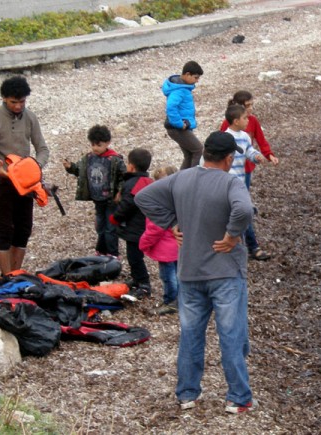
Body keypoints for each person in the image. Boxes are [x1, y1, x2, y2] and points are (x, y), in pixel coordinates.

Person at [136, 131, 256, 414]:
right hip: (225, 273)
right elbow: (244, 210)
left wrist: (172, 223)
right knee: (231, 336)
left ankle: (187, 394)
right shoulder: (231, 182)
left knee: (190, 335)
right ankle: (238, 398)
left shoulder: (181, 178)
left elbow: (143, 197)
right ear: (229, 158)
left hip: (189, 273)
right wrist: (232, 236)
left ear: (205, 154)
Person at [0, 76, 50, 276]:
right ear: (4, 98)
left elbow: (42, 149)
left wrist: (35, 166)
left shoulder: (30, 118)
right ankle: (6, 277)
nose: (19, 106)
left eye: (22, 101)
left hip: (26, 182)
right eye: (14, 102)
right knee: (4, 229)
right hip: (1, 181)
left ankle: (16, 273)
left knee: (23, 229)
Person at [62, 125, 126, 257]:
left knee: (110, 227)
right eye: (93, 145)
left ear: (107, 143)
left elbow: (124, 177)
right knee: (100, 226)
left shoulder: (115, 159)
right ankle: (101, 250)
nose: (95, 148)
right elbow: (80, 171)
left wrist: (120, 192)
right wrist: (70, 167)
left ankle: (113, 253)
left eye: (99, 145)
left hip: (111, 200)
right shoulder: (88, 158)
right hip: (97, 199)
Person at [218, 103, 270, 261]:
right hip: (228, 182)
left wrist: (256, 156)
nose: (248, 120)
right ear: (235, 121)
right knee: (236, 213)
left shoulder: (245, 136)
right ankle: (235, 246)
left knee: (240, 213)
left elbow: (248, 151)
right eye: (245, 118)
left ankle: (241, 246)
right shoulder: (225, 138)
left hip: (240, 181)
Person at [111, 148, 153, 298]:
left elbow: (128, 204)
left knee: (134, 257)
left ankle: (144, 283)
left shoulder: (134, 183)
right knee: (133, 256)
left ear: (132, 166)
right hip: (140, 225)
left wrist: (115, 217)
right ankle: (136, 278)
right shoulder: (147, 181)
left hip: (136, 227)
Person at [139, 165, 179, 315]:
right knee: (180, 274)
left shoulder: (158, 204)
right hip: (180, 245)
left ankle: (171, 301)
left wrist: (143, 243)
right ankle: (181, 299)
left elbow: (155, 228)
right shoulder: (180, 199)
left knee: (168, 277)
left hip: (166, 249)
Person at [163, 61, 204, 169]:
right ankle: (193, 177)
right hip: (178, 128)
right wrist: (180, 124)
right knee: (198, 150)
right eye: (195, 77)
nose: (197, 80)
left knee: (189, 154)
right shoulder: (179, 90)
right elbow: (171, 107)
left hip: (181, 127)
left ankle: (182, 178)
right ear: (187, 74)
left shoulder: (182, 87)